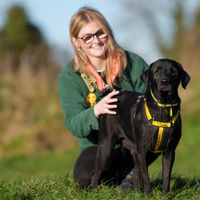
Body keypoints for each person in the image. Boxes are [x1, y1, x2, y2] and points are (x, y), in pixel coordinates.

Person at [58, 6, 149, 188]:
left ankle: (134, 172)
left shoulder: (133, 63)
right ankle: (125, 176)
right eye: (87, 37)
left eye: (100, 33)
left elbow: (152, 102)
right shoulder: (69, 77)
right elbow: (74, 123)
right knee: (84, 177)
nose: (96, 41)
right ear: (76, 42)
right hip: (98, 145)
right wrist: (96, 111)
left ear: (108, 32)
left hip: (134, 140)